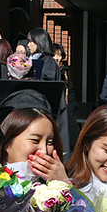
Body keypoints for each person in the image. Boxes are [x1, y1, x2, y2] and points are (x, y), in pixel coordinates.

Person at [27, 27, 78, 159]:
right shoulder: (38, 60)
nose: (28, 45)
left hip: (50, 109)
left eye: (31, 41)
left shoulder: (48, 61)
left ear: (39, 42)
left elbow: (44, 85)